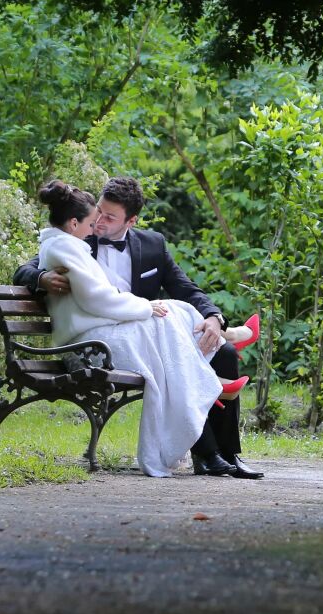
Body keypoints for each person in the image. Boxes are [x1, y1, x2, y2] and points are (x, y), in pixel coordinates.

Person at [15, 175, 263, 479]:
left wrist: (212, 317)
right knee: (176, 354)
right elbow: (26, 268)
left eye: (110, 217)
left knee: (221, 351)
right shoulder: (78, 237)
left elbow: (186, 288)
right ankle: (207, 454)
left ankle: (228, 454)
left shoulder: (152, 245)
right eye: (100, 212)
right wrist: (40, 279)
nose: (100, 222)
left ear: (131, 220)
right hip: (117, 339)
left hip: (142, 331)